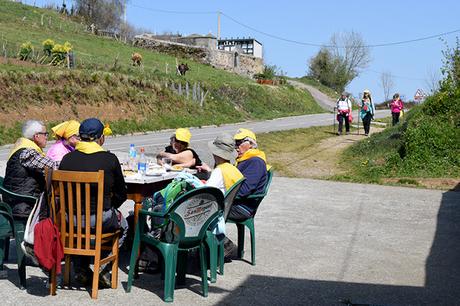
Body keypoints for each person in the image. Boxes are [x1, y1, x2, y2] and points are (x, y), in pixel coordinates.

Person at [59, 118, 127, 288]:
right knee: (123, 225)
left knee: (80, 231)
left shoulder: (67, 159)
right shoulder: (109, 159)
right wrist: (111, 206)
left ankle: (80, 268)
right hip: (98, 219)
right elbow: (122, 193)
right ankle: (103, 267)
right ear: (100, 137)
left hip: (69, 221)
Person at [3, 120, 56, 218]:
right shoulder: (28, 153)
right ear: (36, 136)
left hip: (18, 201)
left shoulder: (21, 146)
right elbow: (53, 166)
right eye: (45, 134)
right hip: (24, 205)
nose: (46, 137)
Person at [227, 128, 269, 221]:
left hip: (242, 208)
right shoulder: (244, 160)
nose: (236, 147)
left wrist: (222, 192)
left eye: (239, 142)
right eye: (235, 143)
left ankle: (216, 235)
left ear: (250, 144)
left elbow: (243, 190)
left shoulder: (255, 162)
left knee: (202, 211)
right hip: (234, 203)